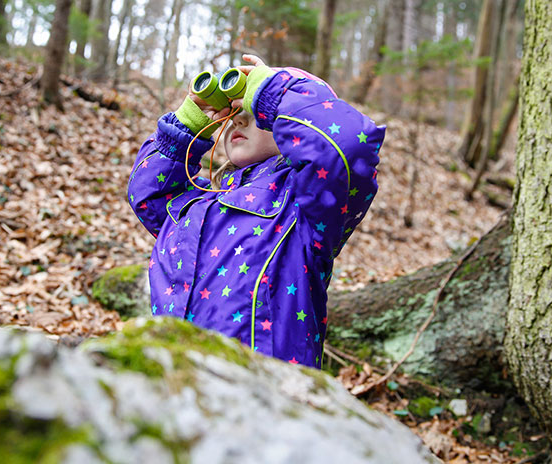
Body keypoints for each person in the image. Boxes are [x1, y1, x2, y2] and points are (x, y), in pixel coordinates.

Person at [127, 55, 385, 368]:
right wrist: (189, 123)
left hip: (266, 392)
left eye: (255, 111)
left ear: (295, 129)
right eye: (233, 113)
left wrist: (272, 92)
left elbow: (345, 147)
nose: (239, 120)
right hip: (179, 386)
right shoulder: (200, 201)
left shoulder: (304, 208)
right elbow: (148, 192)